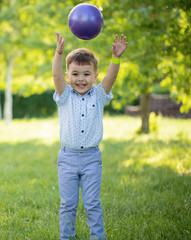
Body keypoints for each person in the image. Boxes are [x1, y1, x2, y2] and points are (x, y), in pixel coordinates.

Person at [52, 32, 128, 240]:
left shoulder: (99, 95)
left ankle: (98, 236)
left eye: (86, 74)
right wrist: (59, 53)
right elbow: (56, 76)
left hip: (91, 159)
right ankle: (66, 237)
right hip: (67, 158)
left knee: (92, 202)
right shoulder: (65, 95)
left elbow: (111, 77)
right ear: (68, 77)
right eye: (75, 74)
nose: (81, 79)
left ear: (95, 76)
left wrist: (116, 58)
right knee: (68, 204)